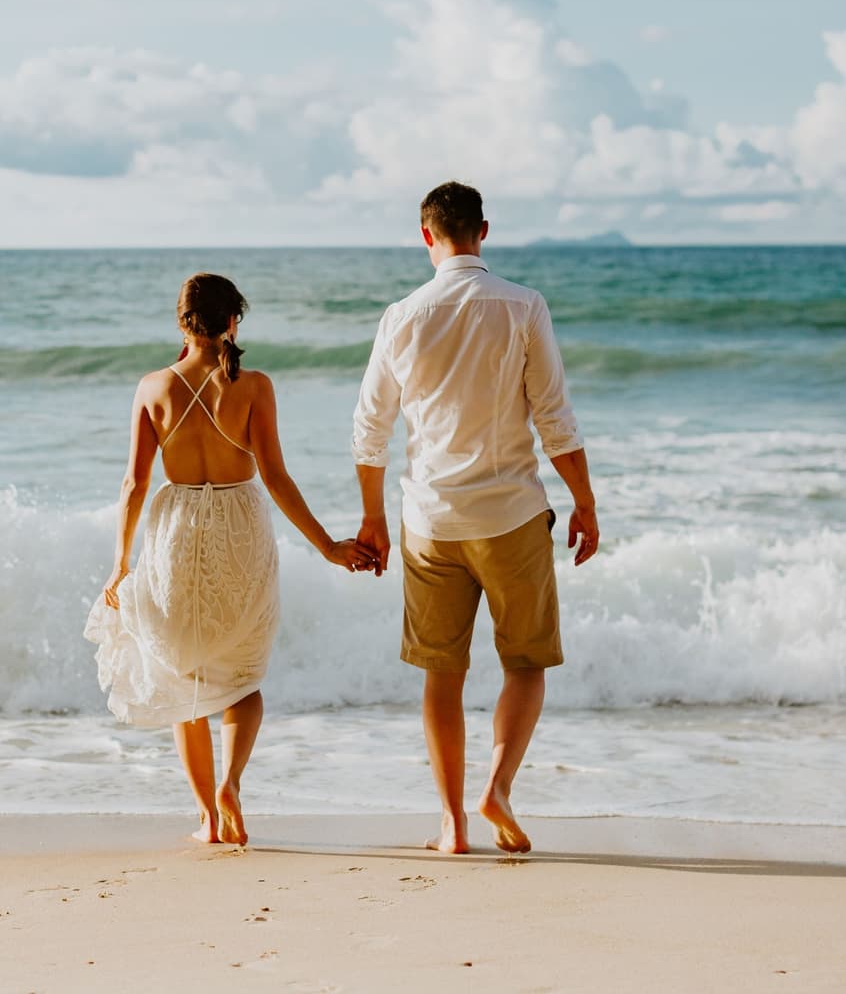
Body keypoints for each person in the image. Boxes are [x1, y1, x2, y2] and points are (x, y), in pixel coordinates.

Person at [351, 181, 600, 855]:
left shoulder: (401, 316)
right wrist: (585, 501)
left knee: (443, 671)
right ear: (483, 231)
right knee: (524, 664)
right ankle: (498, 786)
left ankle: (453, 824)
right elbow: (554, 416)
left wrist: (373, 519)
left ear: (426, 236)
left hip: (430, 520)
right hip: (513, 514)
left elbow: (369, 429)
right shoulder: (523, 305)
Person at [85, 272, 372, 846]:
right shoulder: (256, 387)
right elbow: (277, 477)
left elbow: (133, 483)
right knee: (243, 674)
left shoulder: (152, 388)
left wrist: (120, 562)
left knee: (180, 678)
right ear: (233, 320)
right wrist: (328, 547)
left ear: (181, 322)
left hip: (175, 534)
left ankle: (208, 820)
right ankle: (232, 785)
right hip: (241, 530)